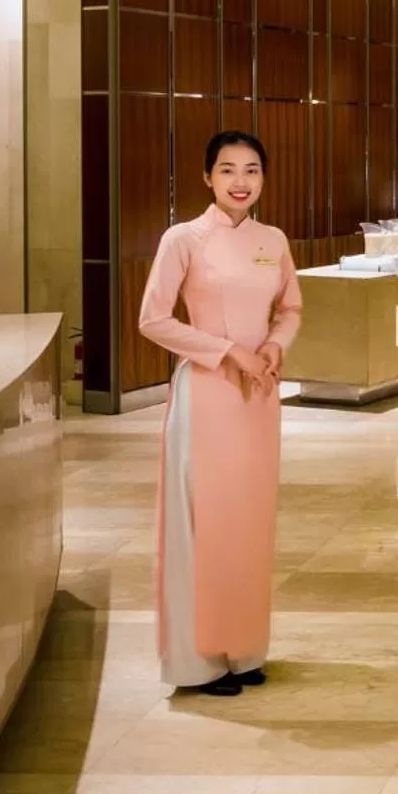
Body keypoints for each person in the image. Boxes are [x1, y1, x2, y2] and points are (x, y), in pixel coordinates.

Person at [139, 130, 302, 696]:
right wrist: (227, 350)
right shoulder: (183, 239)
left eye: (252, 170)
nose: (241, 182)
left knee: (249, 521)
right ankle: (201, 659)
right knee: (203, 521)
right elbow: (154, 319)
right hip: (207, 395)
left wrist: (275, 348)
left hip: (259, 395)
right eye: (228, 170)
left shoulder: (273, 239)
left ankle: (245, 649)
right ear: (207, 177)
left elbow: (290, 307)